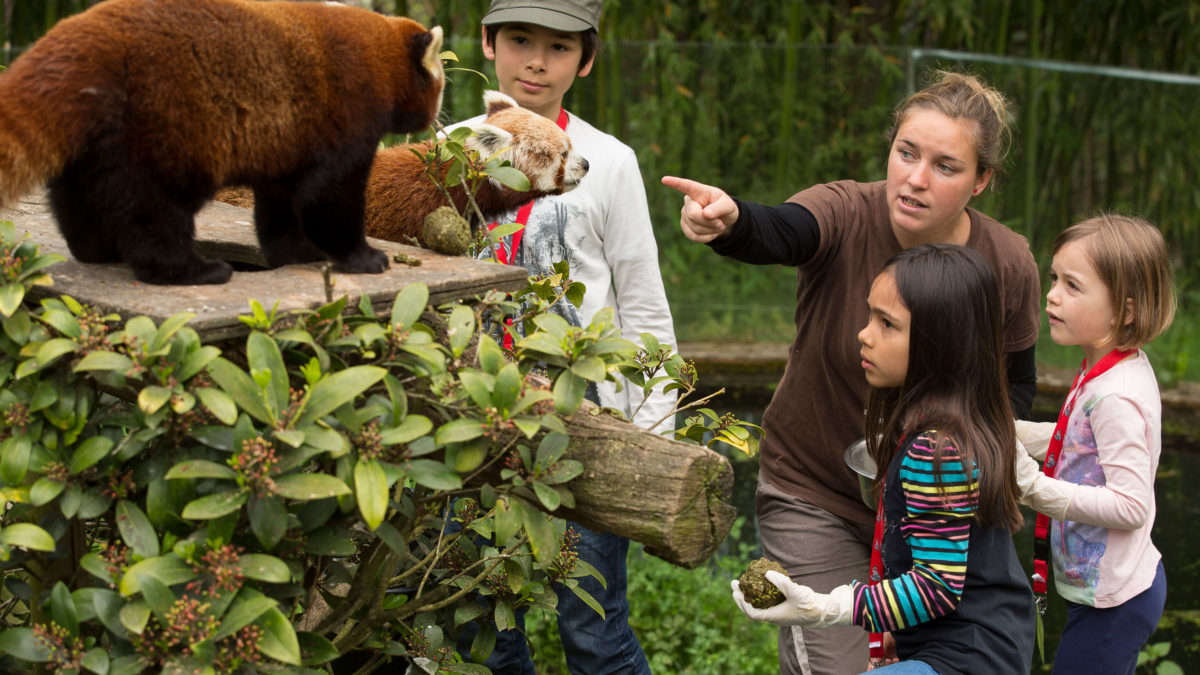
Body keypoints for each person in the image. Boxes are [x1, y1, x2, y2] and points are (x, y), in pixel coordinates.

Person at [662, 71, 1041, 673]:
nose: (915, 179)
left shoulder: (1007, 263)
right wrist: (731, 223)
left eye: (946, 166)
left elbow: (1015, 389)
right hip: (818, 491)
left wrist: (962, 459)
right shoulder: (846, 211)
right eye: (906, 153)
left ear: (982, 181)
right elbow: (782, 230)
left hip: (935, 506)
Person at [451, 1, 676, 673]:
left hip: (584, 428)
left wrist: (654, 432)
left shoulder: (608, 161)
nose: (537, 61)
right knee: (480, 633)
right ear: (489, 43)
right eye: (520, 40)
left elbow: (642, 301)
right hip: (470, 422)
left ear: (587, 59)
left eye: (559, 47)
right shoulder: (455, 145)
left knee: (595, 633)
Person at [733, 244, 1036, 674]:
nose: (865, 333)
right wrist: (900, 626)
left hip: (968, 658)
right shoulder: (945, 424)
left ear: (940, 344)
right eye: (870, 315)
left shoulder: (937, 450)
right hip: (979, 642)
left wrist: (827, 607)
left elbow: (936, 587)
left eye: (888, 324)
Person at [1014, 214, 1175, 674]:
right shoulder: (1108, 365)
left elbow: (1130, 506)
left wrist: (1031, 487)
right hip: (1107, 590)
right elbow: (1081, 443)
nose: (1052, 295)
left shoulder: (1117, 395)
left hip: (1117, 604)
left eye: (1073, 285)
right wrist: (1013, 434)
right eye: (1054, 279)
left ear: (1124, 311)